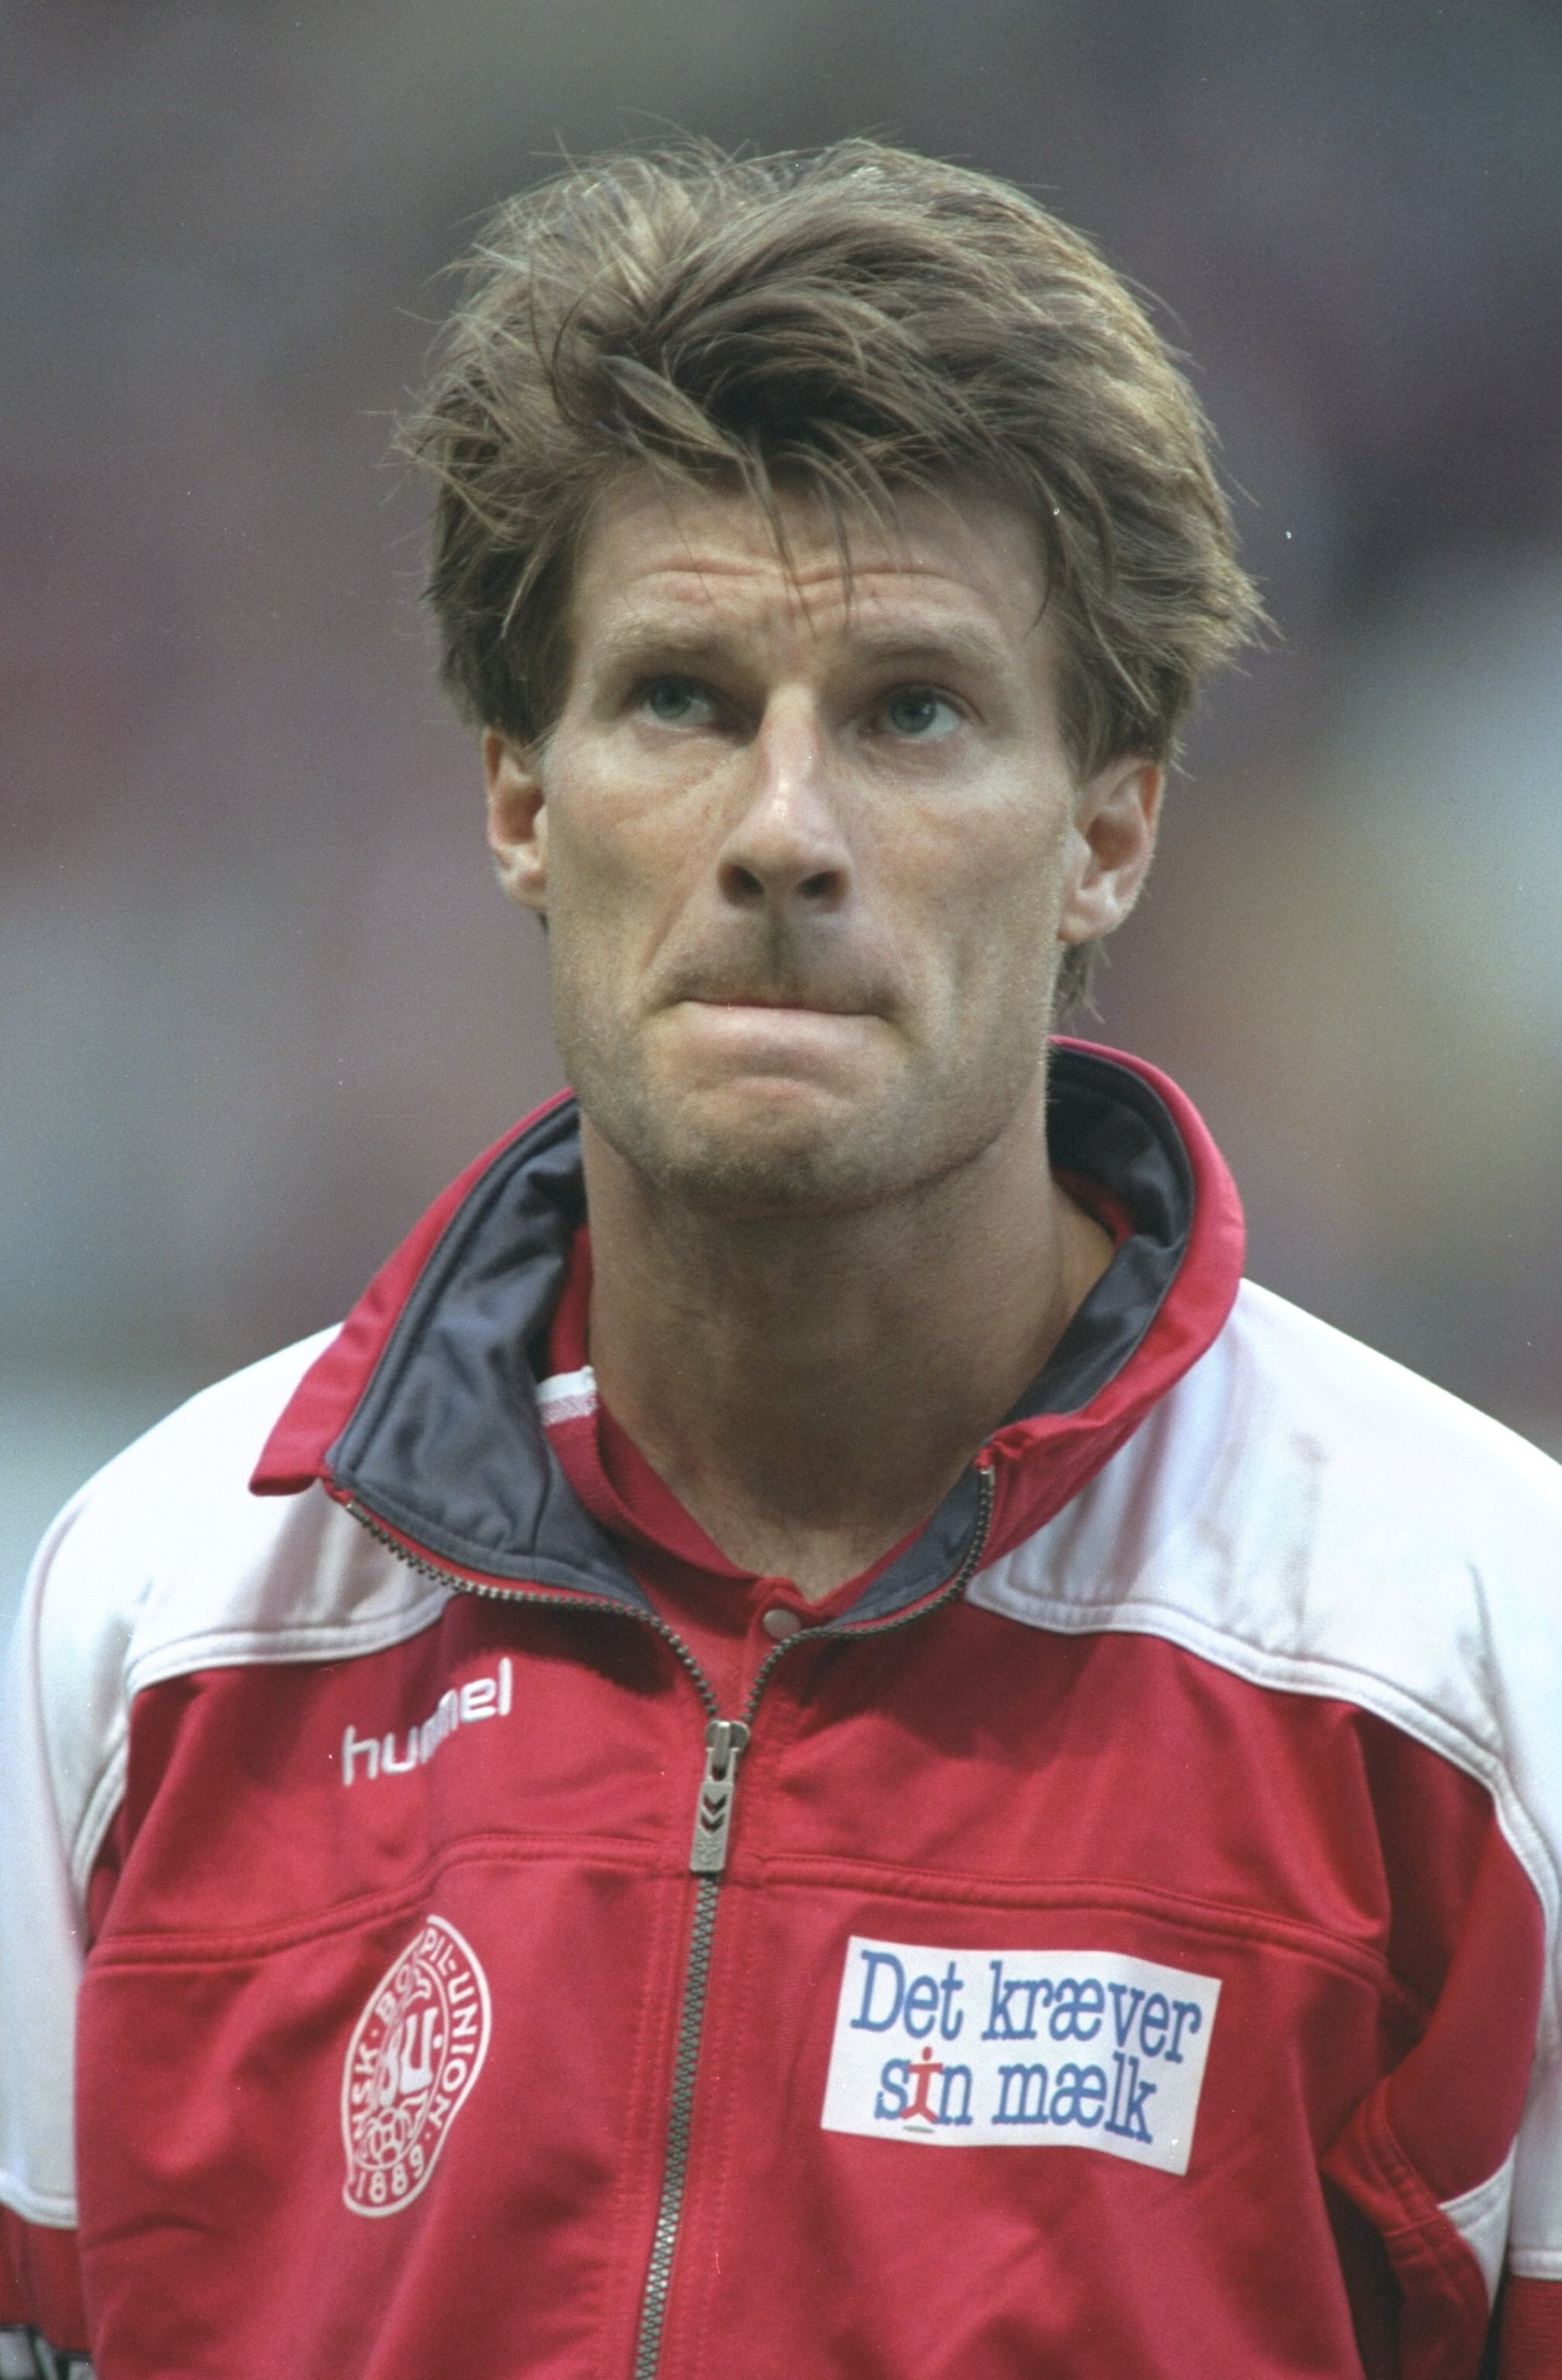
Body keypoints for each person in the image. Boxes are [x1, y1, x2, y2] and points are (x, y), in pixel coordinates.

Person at [2, 140, 1560, 2380]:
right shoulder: (158, 1626)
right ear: (521, 801)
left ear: (1110, 829)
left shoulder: (1475, 1658)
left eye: (914, 710)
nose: (783, 833)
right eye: (682, 699)